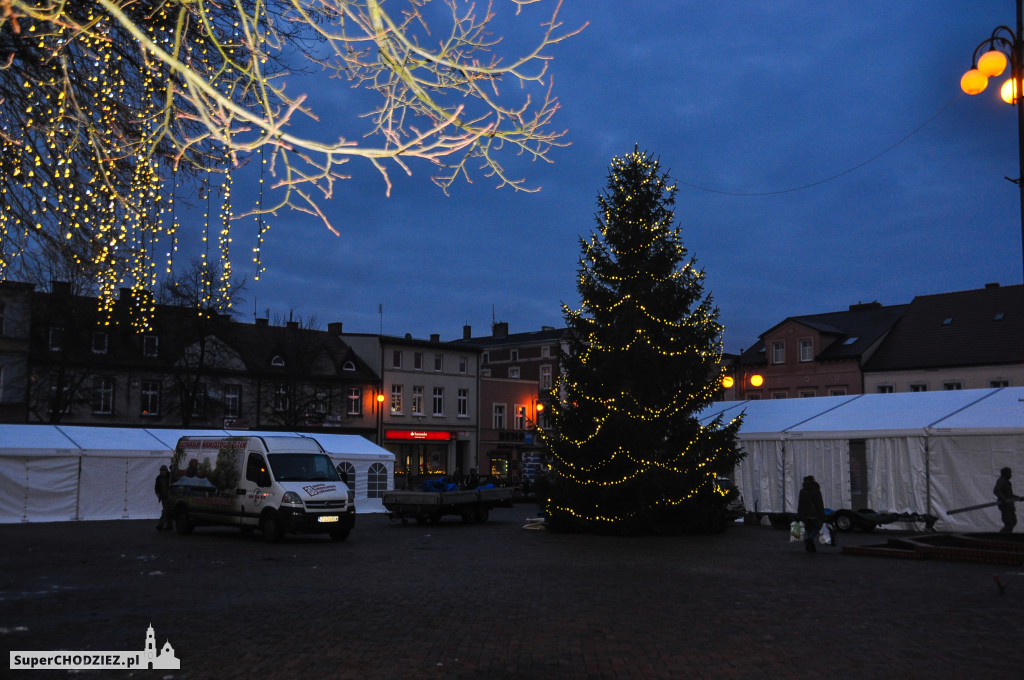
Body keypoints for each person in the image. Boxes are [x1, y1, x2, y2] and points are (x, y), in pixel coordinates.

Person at [797, 475, 826, 553]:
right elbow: (819, 504)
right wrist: (823, 516)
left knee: (809, 529)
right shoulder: (816, 491)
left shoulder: (802, 491)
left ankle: (811, 546)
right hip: (814, 514)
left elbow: (800, 504)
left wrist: (799, 515)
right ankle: (809, 539)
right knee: (816, 527)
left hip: (805, 515)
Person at [994, 467, 1020, 534]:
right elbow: (996, 490)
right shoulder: (1001, 481)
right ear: (1005, 473)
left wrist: (1019, 498)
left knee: (1013, 521)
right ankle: (1001, 536)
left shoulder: (1007, 482)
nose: (1011, 475)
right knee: (1009, 523)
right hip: (1005, 506)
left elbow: (1009, 495)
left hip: (1009, 505)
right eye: (1009, 473)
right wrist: (1004, 499)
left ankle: (1006, 534)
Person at [154, 465, 172, 531]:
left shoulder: (169, 476)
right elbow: (156, 488)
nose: (162, 472)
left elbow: (173, 477)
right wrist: (158, 494)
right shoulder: (158, 478)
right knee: (166, 511)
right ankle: (170, 525)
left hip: (169, 496)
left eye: (163, 470)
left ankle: (160, 525)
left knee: (165, 511)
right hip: (163, 497)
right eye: (161, 470)